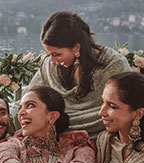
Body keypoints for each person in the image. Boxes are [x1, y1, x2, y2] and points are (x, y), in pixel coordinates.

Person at [27, 11, 132, 140]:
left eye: (56, 54)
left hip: (98, 125)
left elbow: (127, 108)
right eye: (49, 54)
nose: (52, 61)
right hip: (55, 121)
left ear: (76, 48)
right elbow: (29, 97)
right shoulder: (49, 66)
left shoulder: (114, 64)